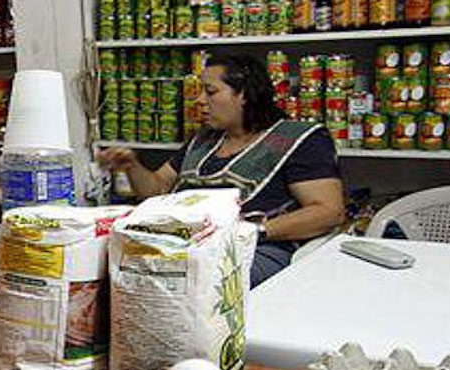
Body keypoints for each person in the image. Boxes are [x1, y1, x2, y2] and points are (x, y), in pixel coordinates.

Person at [99, 54, 346, 287]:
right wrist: (132, 166)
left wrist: (251, 231)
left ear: (244, 94)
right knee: (114, 269)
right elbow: (157, 189)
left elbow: (328, 212)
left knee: (187, 283)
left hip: (255, 249)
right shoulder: (203, 141)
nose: (199, 100)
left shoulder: (299, 140)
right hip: (186, 245)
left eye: (210, 92)